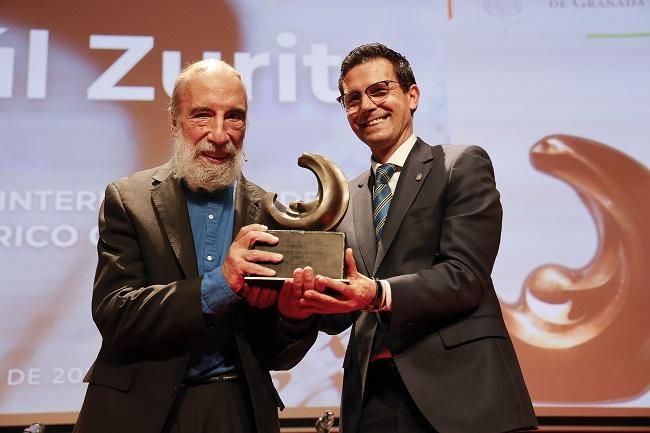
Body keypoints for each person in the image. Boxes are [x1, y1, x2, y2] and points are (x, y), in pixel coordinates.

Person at [281, 44, 538, 433]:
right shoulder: (345, 200)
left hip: (464, 396)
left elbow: (464, 277)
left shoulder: (461, 164)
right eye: (353, 99)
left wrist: (377, 294)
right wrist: (302, 301)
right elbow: (340, 313)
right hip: (373, 400)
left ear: (412, 96)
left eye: (379, 90)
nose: (366, 106)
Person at [74, 59, 315, 433]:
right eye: (202, 115)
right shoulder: (128, 198)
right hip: (138, 413)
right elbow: (114, 313)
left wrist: (295, 318)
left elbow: (276, 355)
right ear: (174, 120)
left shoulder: (270, 212)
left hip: (236, 409)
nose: (219, 135)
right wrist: (221, 283)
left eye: (234, 117)